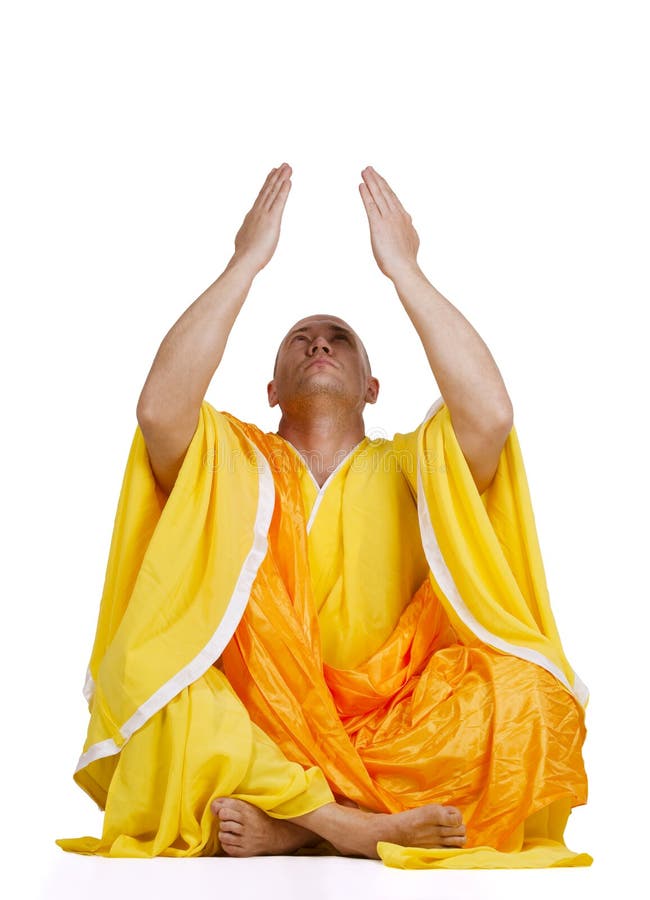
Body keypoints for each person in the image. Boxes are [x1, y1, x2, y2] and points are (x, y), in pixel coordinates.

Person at [56, 163, 590, 868]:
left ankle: (300, 823)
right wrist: (245, 262)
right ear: (272, 387)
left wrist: (405, 270)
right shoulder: (232, 457)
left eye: (337, 337)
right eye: (302, 338)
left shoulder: (413, 463)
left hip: (392, 734)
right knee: (147, 676)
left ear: (371, 386)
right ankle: (353, 827)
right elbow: (159, 409)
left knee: (528, 692)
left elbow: (490, 414)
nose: (318, 343)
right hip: (254, 730)